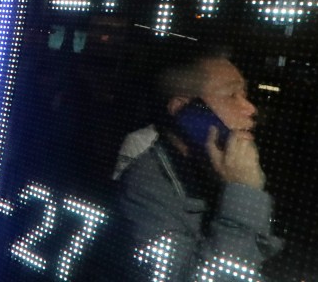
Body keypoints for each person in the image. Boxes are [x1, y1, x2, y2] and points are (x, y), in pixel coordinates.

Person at [117, 48, 282, 280]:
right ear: (184, 110)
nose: (250, 108)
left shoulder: (217, 172)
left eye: (245, 94)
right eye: (231, 96)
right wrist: (243, 192)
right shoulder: (146, 188)